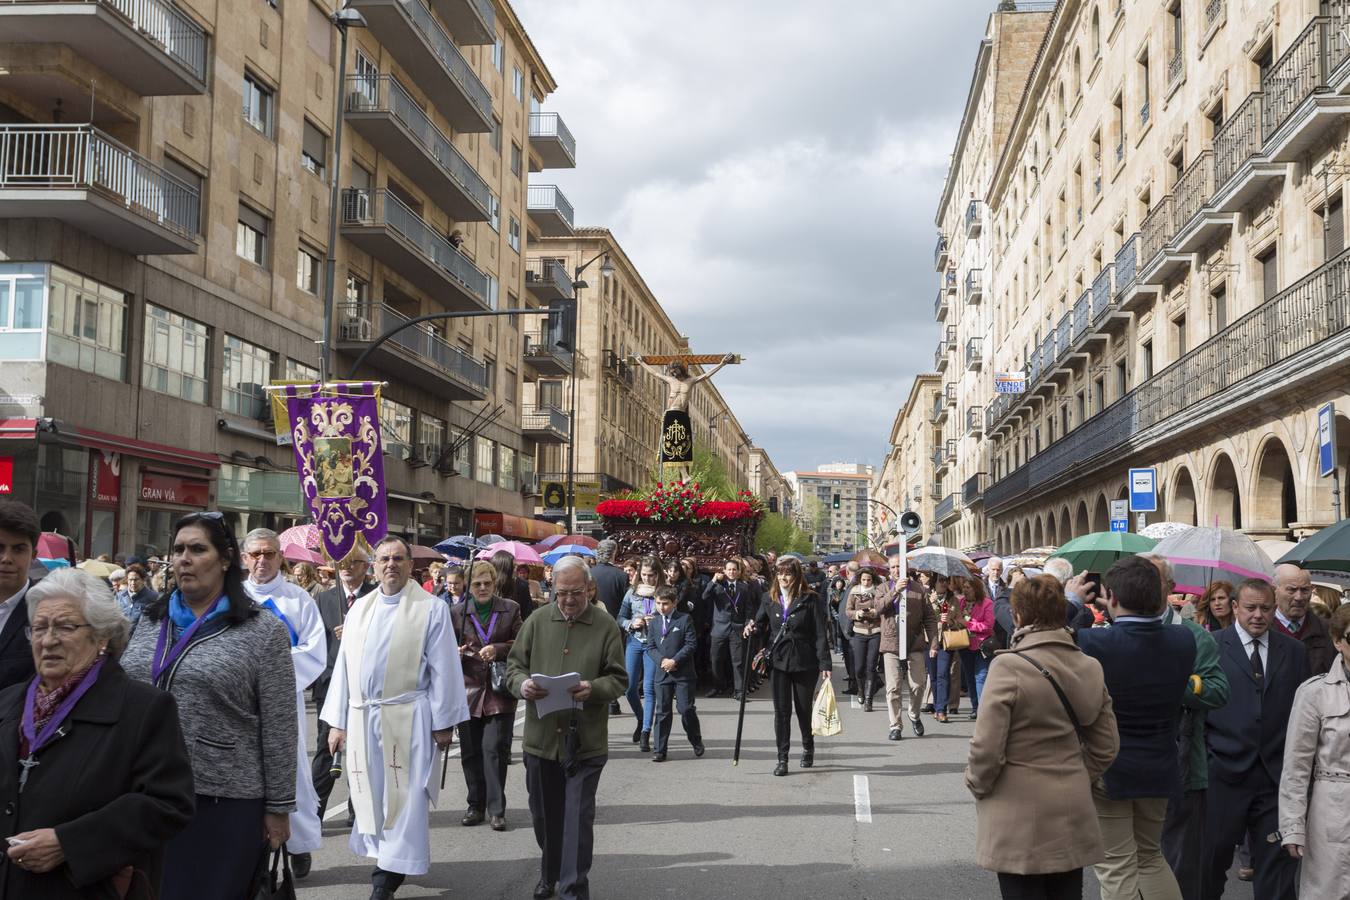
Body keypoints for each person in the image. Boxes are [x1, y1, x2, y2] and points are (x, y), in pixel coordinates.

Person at [120, 512, 297, 900]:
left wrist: (279, 807)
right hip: (141, 791)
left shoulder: (261, 630)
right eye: (179, 549)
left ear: (226, 559)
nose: (184, 558)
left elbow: (280, 725)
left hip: (221, 801)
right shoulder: (151, 620)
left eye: (198, 549)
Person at [0, 569, 194, 898]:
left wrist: (69, 843)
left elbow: (168, 804)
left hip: (84, 888)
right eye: (39, 628)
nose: (48, 640)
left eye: (65, 626)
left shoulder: (143, 708)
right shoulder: (6, 702)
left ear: (102, 636)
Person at [322, 535, 469, 900]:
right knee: (371, 793)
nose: (391, 564)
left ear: (410, 565)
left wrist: (443, 723)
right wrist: (337, 721)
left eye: (398, 558)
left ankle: (385, 878)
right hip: (363, 718)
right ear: (374, 566)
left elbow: (445, 669)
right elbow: (344, 667)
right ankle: (386, 863)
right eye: (384, 558)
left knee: (402, 799)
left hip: (408, 717)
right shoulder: (360, 608)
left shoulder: (429, 608)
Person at [965, 574, 1119, 900]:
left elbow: (987, 746)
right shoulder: (1089, 666)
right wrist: (1077, 774)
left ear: (1019, 616)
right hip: (1071, 807)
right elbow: (1106, 744)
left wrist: (978, 783)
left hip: (1016, 809)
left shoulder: (1008, 667)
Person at [506, 556, 627, 900]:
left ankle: (574, 889)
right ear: (552, 590)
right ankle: (550, 874)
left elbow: (619, 678)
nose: (569, 599)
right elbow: (514, 666)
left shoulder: (605, 626)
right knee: (544, 817)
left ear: (589, 588)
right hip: (541, 741)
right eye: (561, 593)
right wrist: (523, 685)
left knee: (576, 820)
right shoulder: (537, 620)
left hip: (585, 742)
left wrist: (595, 689)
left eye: (575, 592)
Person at [1076, 557, 1196, 900]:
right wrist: (1117, 606)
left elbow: (1051, 639)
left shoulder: (1094, 643)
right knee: (1150, 856)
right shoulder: (1182, 640)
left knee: (1116, 865)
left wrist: (1074, 602)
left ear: (1111, 596)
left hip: (1110, 766)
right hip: (1160, 762)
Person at [1200, 579, 1309, 900]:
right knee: (1211, 862)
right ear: (1235, 608)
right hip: (1223, 776)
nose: (1258, 615)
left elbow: (1303, 711)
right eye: (1250, 608)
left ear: (1275, 609)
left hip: (1275, 779)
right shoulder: (1212, 646)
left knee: (1277, 868)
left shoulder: (1294, 651)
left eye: (1265, 608)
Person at [240, 527, 328, 878]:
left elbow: (314, 651)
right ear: (245, 558)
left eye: (269, 553)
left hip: (281, 702)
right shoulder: (231, 598)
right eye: (256, 554)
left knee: (291, 774)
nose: (262, 560)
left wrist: (269, 670)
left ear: (281, 557)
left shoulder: (297, 600)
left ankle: (300, 844)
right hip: (239, 701)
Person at [1141, 562, 1231, 900]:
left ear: (1169, 586)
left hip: (1183, 770)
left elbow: (1218, 691)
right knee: (1131, 867)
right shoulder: (1115, 633)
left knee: (1180, 867)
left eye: (1154, 581)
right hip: (1130, 769)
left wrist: (1177, 684)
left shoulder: (1194, 636)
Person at [1278, 603, 1350, 899]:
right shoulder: (1314, 693)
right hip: (1331, 811)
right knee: (1329, 891)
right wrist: (1292, 825)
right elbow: (1296, 766)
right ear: (1337, 641)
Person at [450, 560, 522, 832]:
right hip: (467, 690)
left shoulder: (510, 609)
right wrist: (451, 652)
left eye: (487, 583)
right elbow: (443, 645)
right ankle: (474, 805)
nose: (482, 588)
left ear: (495, 584)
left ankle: (496, 809)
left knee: (494, 750)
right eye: (477, 583)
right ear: (468, 585)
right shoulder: (456, 612)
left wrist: (499, 649)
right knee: (470, 752)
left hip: (499, 689)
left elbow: (522, 643)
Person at [745, 556, 831, 776]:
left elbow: (820, 633)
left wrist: (825, 663)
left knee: (803, 710)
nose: (783, 577)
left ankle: (807, 747)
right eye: (780, 573)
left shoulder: (810, 599)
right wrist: (751, 627)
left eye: (788, 573)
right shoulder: (768, 598)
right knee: (781, 712)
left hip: (805, 661)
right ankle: (782, 758)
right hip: (778, 661)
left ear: (796, 575)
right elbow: (760, 624)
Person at [313, 553, 376, 821]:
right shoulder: (325, 598)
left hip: (366, 686)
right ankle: (314, 812)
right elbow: (316, 642)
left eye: (354, 563)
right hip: (330, 686)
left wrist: (359, 632)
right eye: (343, 563)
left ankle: (358, 809)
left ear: (365, 567)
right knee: (326, 749)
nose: (347, 568)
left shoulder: (376, 597)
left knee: (363, 751)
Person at [645, 585, 704, 761]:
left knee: (685, 709)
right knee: (662, 710)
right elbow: (651, 646)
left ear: (674, 603)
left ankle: (696, 740)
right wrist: (662, 661)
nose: (661, 607)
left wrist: (675, 661)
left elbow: (691, 644)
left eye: (665, 604)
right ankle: (660, 749)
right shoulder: (654, 622)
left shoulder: (684, 619)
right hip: (662, 673)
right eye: (658, 603)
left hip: (683, 673)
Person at [880, 560, 937, 740]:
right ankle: (895, 725)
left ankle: (914, 715)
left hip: (914, 643)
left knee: (918, 685)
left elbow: (929, 618)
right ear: (889, 570)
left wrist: (933, 643)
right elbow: (878, 608)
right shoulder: (883, 588)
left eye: (900, 567)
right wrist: (895, 590)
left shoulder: (919, 589)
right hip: (891, 644)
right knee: (893, 687)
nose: (897, 570)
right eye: (894, 567)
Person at [616, 556, 664, 750]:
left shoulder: (664, 592)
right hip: (635, 641)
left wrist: (659, 622)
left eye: (651, 575)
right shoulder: (632, 593)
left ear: (658, 575)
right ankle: (640, 718)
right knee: (629, 687)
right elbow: (620, 616)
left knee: (649, 688)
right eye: (643, 575)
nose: (647, 579)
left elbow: (676, 618)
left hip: (654, 645)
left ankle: (645, 731)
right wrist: (630, 623)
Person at [704, 557, 760, 700]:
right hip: (719, 628)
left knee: (738, 661)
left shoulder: (744, 587)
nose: (731, 572)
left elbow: (749, 608)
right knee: (715, 659)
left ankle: (739, 691)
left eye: (734, 569)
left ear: (739, 571)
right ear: (724, 571)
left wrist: (748, 622)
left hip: (737, 628)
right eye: (729, 569)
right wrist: (713, 581)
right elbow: (704, 597)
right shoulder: (717, 586)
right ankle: (718, 686)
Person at [0, 500, 39, 692]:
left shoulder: (45, 611)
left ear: (33, 556)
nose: (6, 558)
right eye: (0, 547)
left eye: (18, 549)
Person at [1271, 563, 1334, 675]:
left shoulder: (1329, 631)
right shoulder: (1261, 631)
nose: (1299, 597)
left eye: (1305, 590)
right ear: (1274, 591)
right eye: (1291, 590)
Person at [844, 568, 885, 712]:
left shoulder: (878, 591)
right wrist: (858, 613)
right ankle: (860, 690)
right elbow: (847, 611)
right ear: (859, 580)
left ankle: (869, 700)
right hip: (859, 633)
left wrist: (875, 612)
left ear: (872, 580)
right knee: (859, 668)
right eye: (863, 580)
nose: (866, 582)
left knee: (871, 667)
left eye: (868, 579)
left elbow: (883, 608)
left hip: (875, 632)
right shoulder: (854, 591)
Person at [492, 550, 536, 623]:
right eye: (514, 566)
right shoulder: (488, 584)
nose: (516, 569)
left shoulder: (522, 585)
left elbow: (527, 611)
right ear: (506, 568)